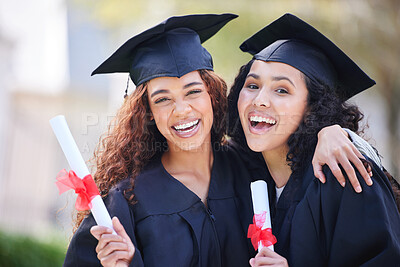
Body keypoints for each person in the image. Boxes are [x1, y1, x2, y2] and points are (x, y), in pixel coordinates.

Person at [63, 13, 379, 267]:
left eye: (193, 91)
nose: (181, 110)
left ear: (213, 95)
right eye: (162, 99)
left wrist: (332, 131)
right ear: (147, 113)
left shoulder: (258, 168)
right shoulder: (123, 205)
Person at [228, 13, 400, 266]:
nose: (259, 100)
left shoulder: (343, 173)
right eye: (252, 85)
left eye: (281, 90)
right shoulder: (242, 171)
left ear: (313, 108)